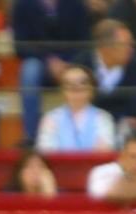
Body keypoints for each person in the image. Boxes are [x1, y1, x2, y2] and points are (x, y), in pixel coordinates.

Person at [12, 0, 91, 142]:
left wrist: (66, 63)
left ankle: (87, 131)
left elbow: (84, 41)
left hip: (72, 60)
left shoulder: (77, 4)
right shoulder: (22, 5)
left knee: (85, 68)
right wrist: (48, 60)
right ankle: (31, 136)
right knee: (29, 70)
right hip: (39, 62)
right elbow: (20, 46)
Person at [37, 64, 117, 152]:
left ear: (92, 89)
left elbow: (104, 152)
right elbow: (46, 151)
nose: (76, 87)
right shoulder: (51, 118)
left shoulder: (103, 117)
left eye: (82, 83)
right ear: (62, 90)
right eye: (69, 84)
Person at [84, 18, 136, 130]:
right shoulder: (82, 65)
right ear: (105, 47)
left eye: (131, 44)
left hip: (123, 127)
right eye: (125, 45)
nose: (131, 50)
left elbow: (134, 109)